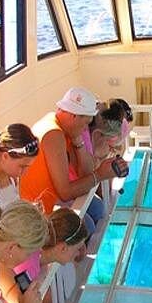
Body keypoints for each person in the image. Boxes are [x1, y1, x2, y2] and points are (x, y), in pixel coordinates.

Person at [20, 87, 127, 231]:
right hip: (40, 208)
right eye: (85, 123)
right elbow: (65, 193)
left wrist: (78, 141)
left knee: (97, 208)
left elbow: (85, 172)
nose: (85, 129)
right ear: (74, 116)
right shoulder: (53, 135)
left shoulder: (64, 127)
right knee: (87, 226)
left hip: (55, 197)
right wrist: (100, 174)